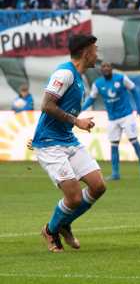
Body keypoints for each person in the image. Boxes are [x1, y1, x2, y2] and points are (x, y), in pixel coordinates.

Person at [35, 34, 106, 252]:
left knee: (98, 186)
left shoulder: (79, 77)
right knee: (74, 198)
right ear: (86, 52)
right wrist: (77, 121)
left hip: (67, 139)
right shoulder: (65, 73)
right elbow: (46, 105)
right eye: (95, 49)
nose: (97, 54)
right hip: (50, 143)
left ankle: (64, 223)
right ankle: (51, 230)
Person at [82, 62, 140, 181]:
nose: (106, 68)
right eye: (103, 67)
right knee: (114, 145)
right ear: (101, 70)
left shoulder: (121, 78)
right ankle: (115, 173)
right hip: (112, 119)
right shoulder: (98, 84)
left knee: (134, 141)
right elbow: (91, 98)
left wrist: (139, 108)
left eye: (108, 67)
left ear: (112, 69)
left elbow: (134, 90)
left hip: (126, 116)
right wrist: (80, 109)